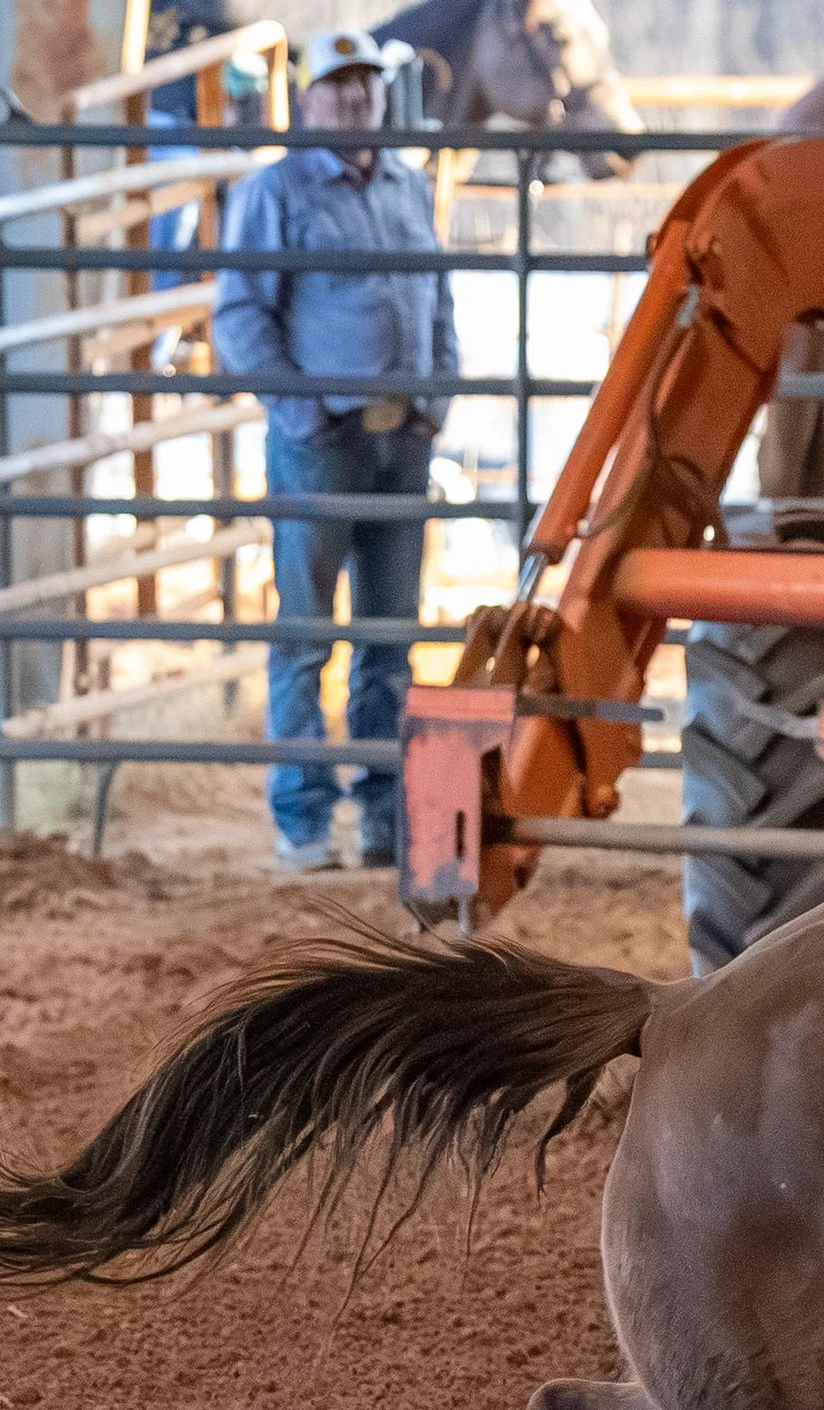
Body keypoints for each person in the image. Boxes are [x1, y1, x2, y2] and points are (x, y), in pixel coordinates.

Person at [213, 28, 458, 872]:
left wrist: (438, 397)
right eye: (338, 86)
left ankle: (386, 819)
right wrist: (303, 411)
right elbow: (240, 315)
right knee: (309, 634)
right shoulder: (277, 191)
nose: (355, 99)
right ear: (308, 98)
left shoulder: (407, 186)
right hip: (324, 442)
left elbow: (440, 299)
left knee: (390, 638)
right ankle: (305, 823)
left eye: (366, 85)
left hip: (403, 438)